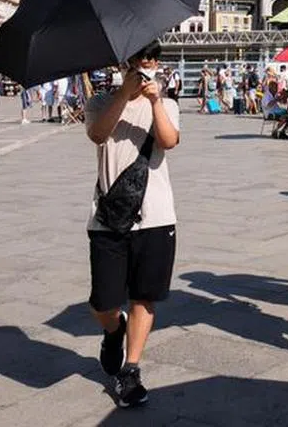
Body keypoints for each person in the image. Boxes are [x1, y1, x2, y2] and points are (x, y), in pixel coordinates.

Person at [83, 39, 180, 408]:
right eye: (141, 56)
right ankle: (114, 329)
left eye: (153, 56)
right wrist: (124, 93)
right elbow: (97, 134)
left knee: (145, 296)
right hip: (108, 219)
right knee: (103, 302)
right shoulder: (100, 102)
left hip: (156, 215)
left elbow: (169, 141)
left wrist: (155, 101)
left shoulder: (167, 103)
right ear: (126, 61)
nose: (148, 62)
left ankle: (131, 369)